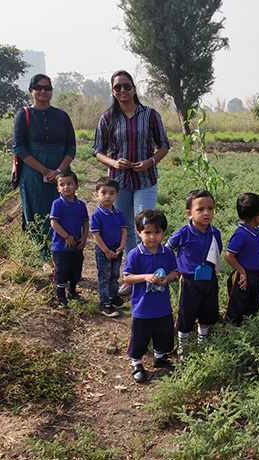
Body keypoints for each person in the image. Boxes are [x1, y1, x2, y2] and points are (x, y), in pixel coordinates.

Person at [93, 70, 170, 295]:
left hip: (146, 179)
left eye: (127, 86)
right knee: (124, 228)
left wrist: (150, 161)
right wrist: (114, 163)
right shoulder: (107, 118)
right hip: (118, 182)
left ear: (134, 89)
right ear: (113, 91)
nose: (123, 91)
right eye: (118, 87)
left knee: (144, 225)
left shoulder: (151, 115)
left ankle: (150, 273)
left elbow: (163, 145)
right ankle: (131, 276)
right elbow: (98, 151)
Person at [13, 74, 76, 262]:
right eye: (38, 88)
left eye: (47, 88)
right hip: (33, 175)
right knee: (37, 216)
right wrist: (44, 171)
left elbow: (71, 147)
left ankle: (64, 258)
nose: (43, 91)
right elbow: (19, 147)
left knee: (64, 214)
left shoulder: (62, 116)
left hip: (62, 177)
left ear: (51, 91)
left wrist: (58, 172)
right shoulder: (23, 115)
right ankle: (46, 260)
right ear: (31, 90)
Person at [123, 210, 179, 383]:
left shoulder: (167, 253)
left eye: (157, 232)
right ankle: (137, 363)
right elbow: (127, 277)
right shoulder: (135, 254)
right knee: (140, 336)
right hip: (142, 308)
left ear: (163, 232)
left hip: (162, 306)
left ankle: (160, 357)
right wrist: (145, 277)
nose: (152, 237)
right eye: (147, 232)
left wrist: (167, 279)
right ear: (139, 232)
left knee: (164, 333)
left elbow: (175, 272)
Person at [166, 190, 222, 360]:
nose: (206, 213)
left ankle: (202, 340)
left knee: (207, 309)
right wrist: (174, 269)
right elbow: (168, 248)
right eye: (200, 209)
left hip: (209, 279)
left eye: (210, 208)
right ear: (189, 213)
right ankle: (182, 343)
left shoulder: (215, 233)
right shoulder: (183, 232)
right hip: (189, 280)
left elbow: (217, 252)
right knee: (186, 311)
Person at [224, 193, 259, 324]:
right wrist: (242, 272)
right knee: (237, 305)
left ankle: (248, 327)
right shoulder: (241, 234)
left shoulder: (255, 232)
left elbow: (257, 253)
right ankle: (232, 330)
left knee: (253, 303)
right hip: (241, 277)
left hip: (255, 274)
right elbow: (228, 256)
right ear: (258, 217)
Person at [49, 171, 89, 308]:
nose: (66, 187)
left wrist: (84, 237)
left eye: (69, 183)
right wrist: (67, 236)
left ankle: (72, 292)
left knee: (76, 269)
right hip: (61, 246)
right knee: (62, 270)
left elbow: (85, 221)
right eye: (62, 184)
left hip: (77, 245)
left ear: (76, 186)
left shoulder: (81, 204)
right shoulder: (57, 204)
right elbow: (54, 223)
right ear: (58, 188)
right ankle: (60, 296)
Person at [90, 177, 128, 318]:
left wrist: (121, 247)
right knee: (104, 277)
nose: (107, 196)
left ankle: (113, 297)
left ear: (116, 196)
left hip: (116, 249)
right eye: (103, 192)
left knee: (115, 275)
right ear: (97, 195)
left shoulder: (119, 213)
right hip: (103, 250)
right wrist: (106, 250)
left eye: (112, 193)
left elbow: (124, 230)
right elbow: (96, 235)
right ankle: (104, 302)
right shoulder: (97, 215)